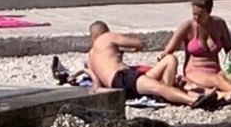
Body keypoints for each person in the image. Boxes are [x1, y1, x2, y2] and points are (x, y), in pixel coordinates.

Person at [86, 21, 220, 110]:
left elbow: (97, 88)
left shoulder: (90, 57)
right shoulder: (107, 37)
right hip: (124, 77)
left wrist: (119, 94)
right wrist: (126, 47)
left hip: (120, 84)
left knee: (170, 59)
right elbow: (138, 43)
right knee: (160, 87)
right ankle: (193, 100)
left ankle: (172, 94)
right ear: (104, 31)